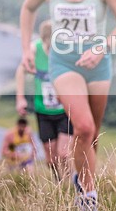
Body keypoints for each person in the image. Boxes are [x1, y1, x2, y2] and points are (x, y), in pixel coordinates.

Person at [20, 0, 116, 211]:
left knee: (91, 136)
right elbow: (27, 9)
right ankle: (88, 197)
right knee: (82, 128)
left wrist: (102, 47)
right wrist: (26, 49)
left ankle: (80, 177)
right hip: (64, 64)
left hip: (98, 64)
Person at [16, 20, 73, 181]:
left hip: (65, 110)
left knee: (63, 153)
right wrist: (20, 98)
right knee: (51, 157)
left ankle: (69, 183)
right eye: (49, 47)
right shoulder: (35, 49)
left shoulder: (66, 51)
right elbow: (20, 70)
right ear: (44, 40)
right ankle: (58, 181)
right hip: (43, 110)